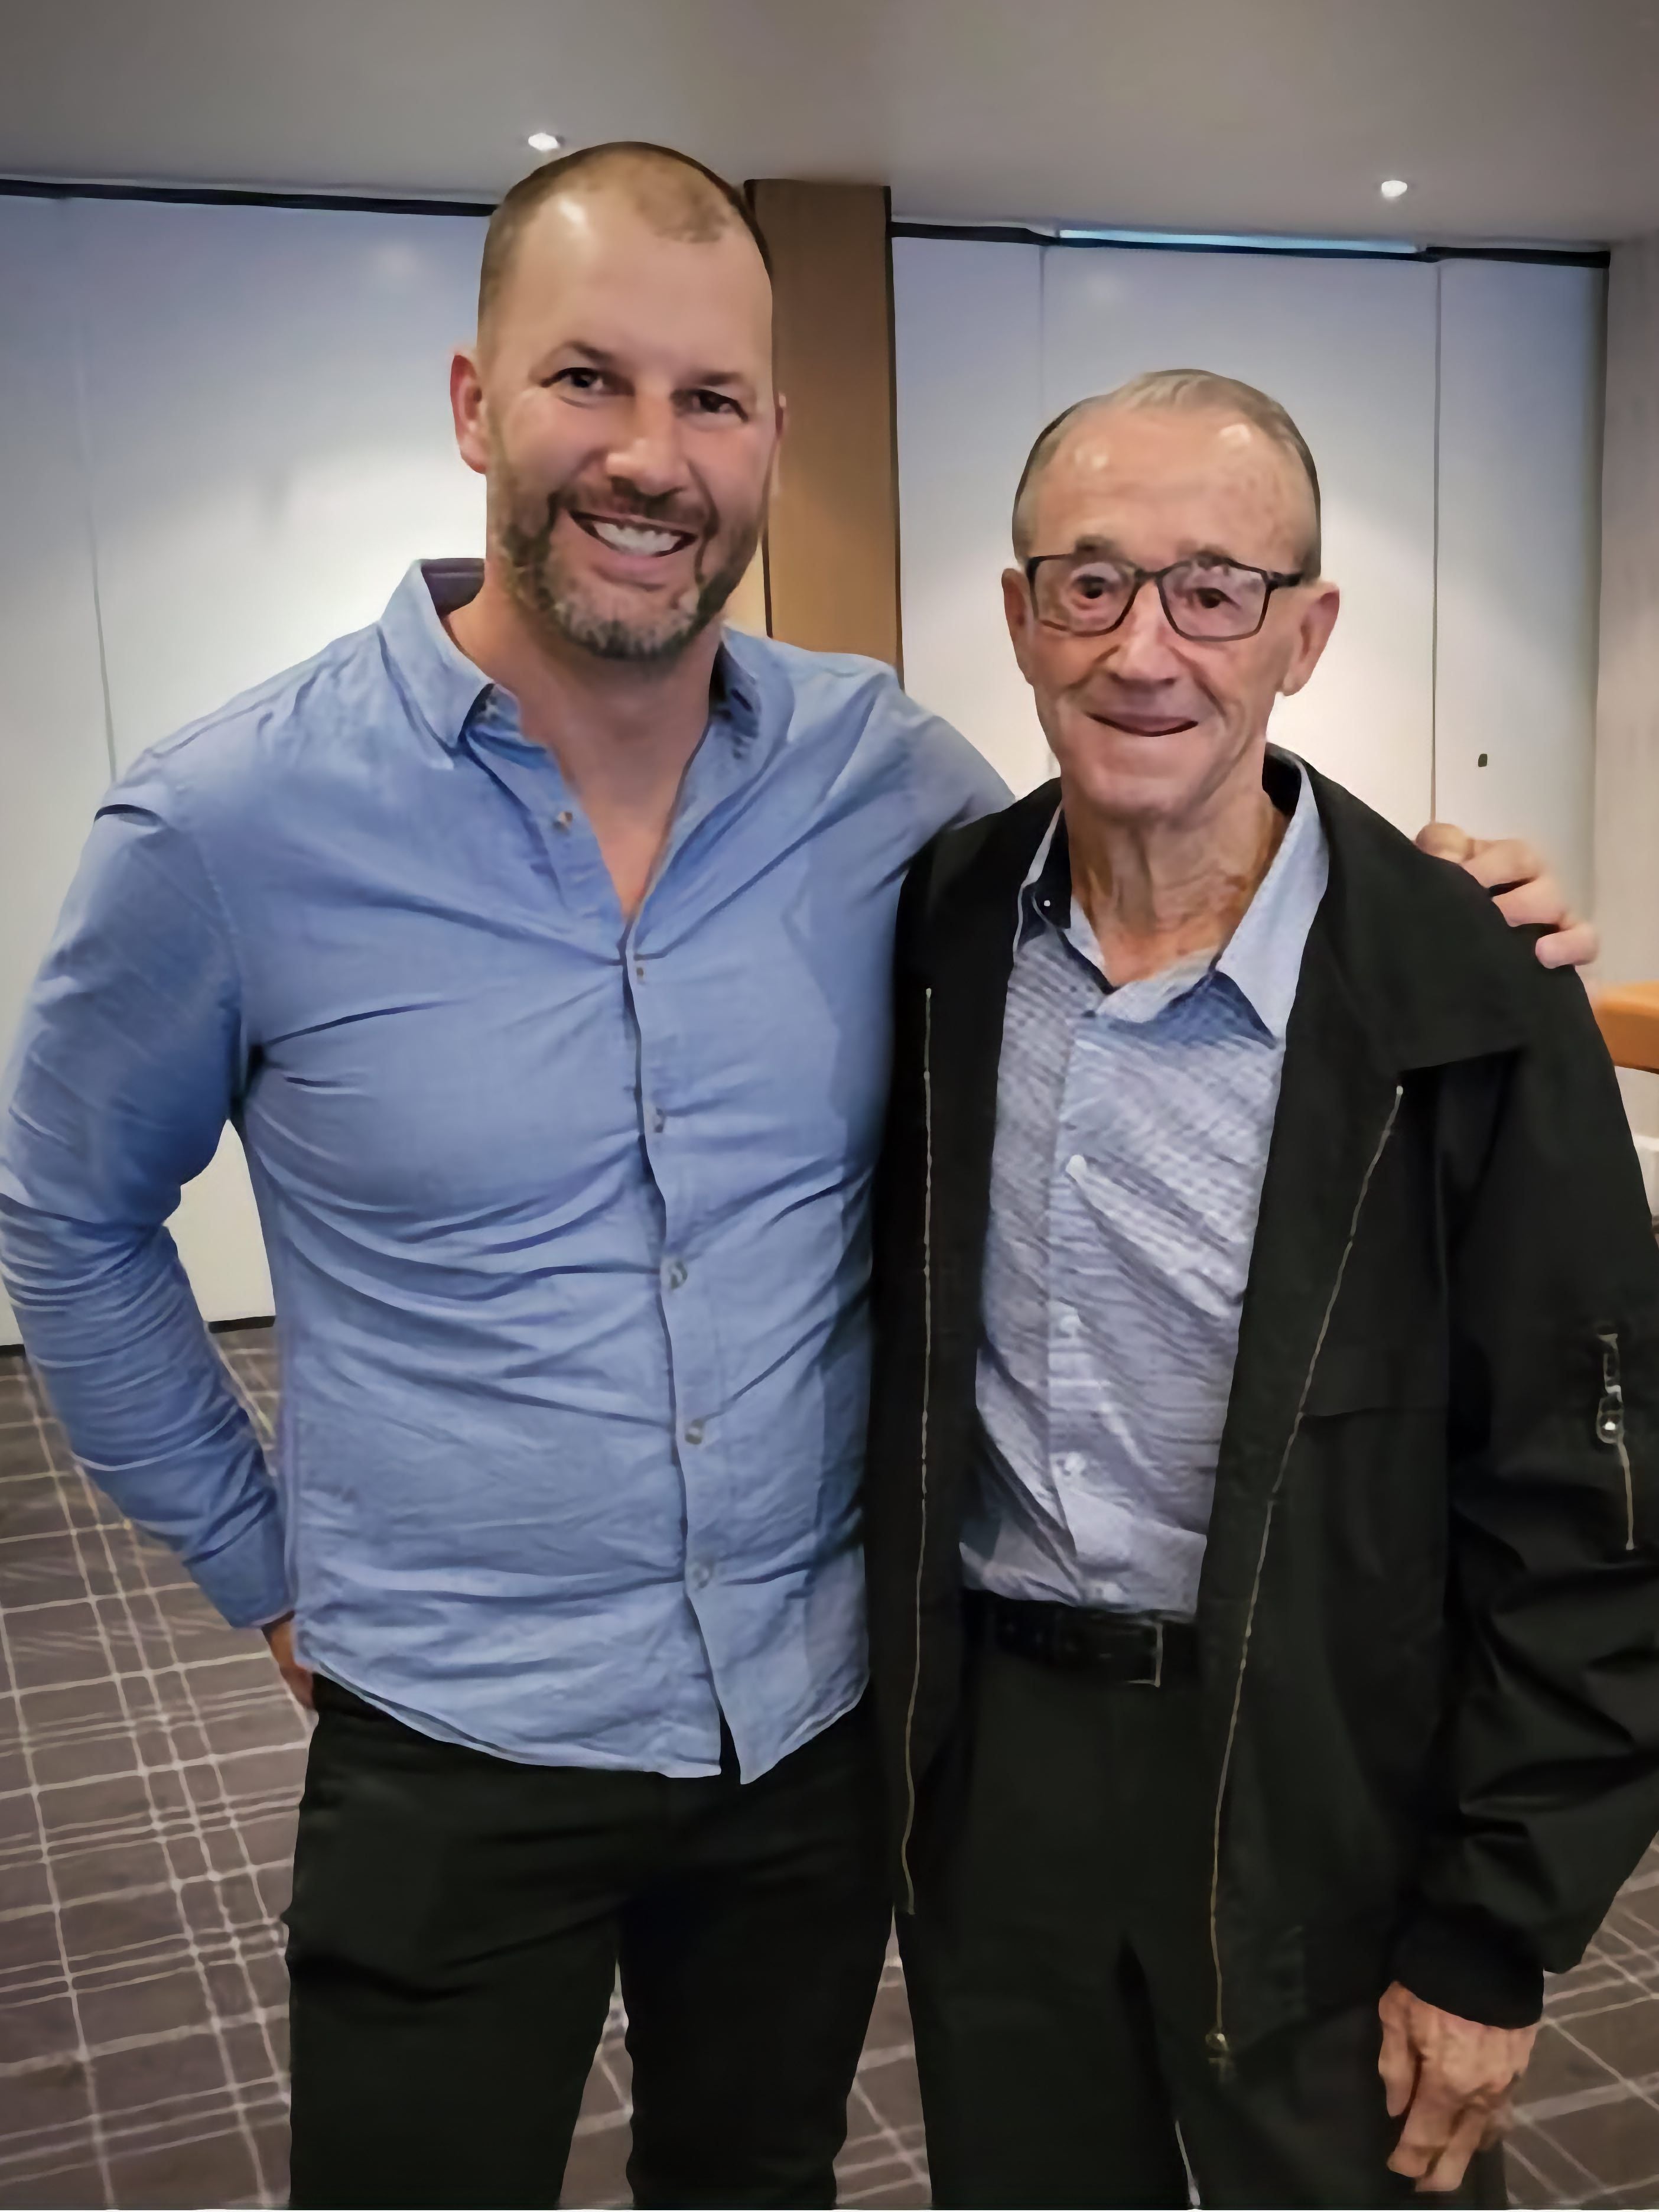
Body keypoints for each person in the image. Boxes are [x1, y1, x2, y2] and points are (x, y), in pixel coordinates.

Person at [0, 143, 1590, 2208]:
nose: (651, 457)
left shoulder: (884, 784)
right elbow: (70, 1219)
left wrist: (1433, 893)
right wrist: (260, 1556)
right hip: (457, 1730)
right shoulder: (223, 824)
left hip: (816, 1734)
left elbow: (1170, 823)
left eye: (714, 401)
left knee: (756, 2186)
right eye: (591, 382)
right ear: (478, 404)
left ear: (771, 441)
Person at [862, 368, 1659, 2210]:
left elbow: (1586, 1498)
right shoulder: (940, 935)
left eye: (1215, 589)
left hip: (1325, 1767)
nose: (1149, 647)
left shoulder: (1467, 994)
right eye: (1093, 581)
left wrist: (1497, 1926)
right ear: (1018, 615)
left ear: (1305, 636)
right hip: (1000, 1769)